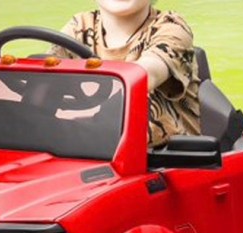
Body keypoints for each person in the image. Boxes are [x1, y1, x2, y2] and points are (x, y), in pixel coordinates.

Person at [50, 0, 200, 147]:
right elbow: (45, 80)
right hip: (87, 150)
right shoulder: (79, 26)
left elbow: (145, 75)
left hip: (165, 159)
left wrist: (74, 115)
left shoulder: (172, 28)